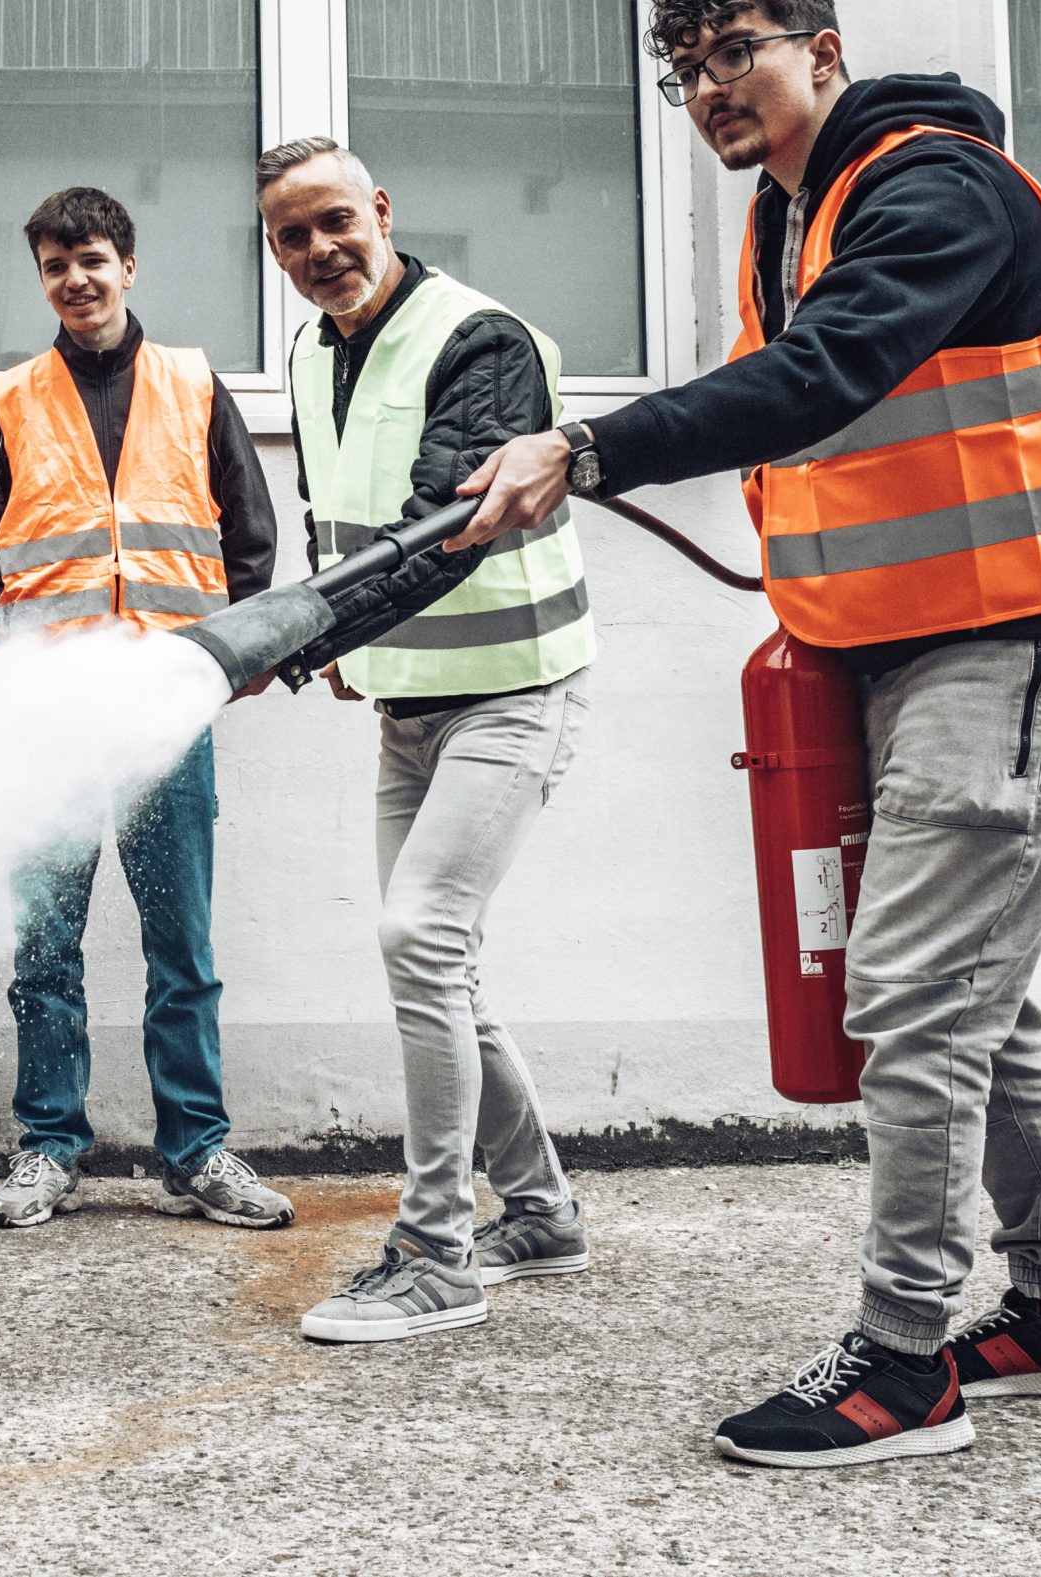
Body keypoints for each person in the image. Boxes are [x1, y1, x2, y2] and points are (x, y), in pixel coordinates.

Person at [449, 0, 1041, 1466]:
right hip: (893, 646)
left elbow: (828, 374)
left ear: (822, 49)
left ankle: (904, 1363)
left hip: (1006, 645)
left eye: (736, 54)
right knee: (975, 997)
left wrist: (594, 450)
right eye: (684, 71)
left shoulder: (933, 186)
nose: (708, 91)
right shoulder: (794, 213)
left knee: (905, 1003)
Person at [244, 138, 596, 1345]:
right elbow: (331, 513)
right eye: (290, 236)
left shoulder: (480, 341)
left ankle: (437, 1249)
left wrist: (282, 642)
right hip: (408, 703)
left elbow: (446, 528)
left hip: (512, 685)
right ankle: (539, 1215)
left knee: (418, 936)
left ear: (381, 209)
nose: (317, 252)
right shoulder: (306, 349)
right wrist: (336, 642)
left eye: (334, 222)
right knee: (432, 962)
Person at [0, 185, 292, 1232]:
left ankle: (198, 1150)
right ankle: (48, 1148)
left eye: (90, 258)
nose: (75, 280)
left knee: (180, 948)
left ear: (126, 266)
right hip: (47, 724)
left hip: (163, 714)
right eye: (54, 265)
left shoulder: (190, 382)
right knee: (44, 953)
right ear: (40, 280)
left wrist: (230, 662)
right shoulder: (10, 402)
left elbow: (250, 540)